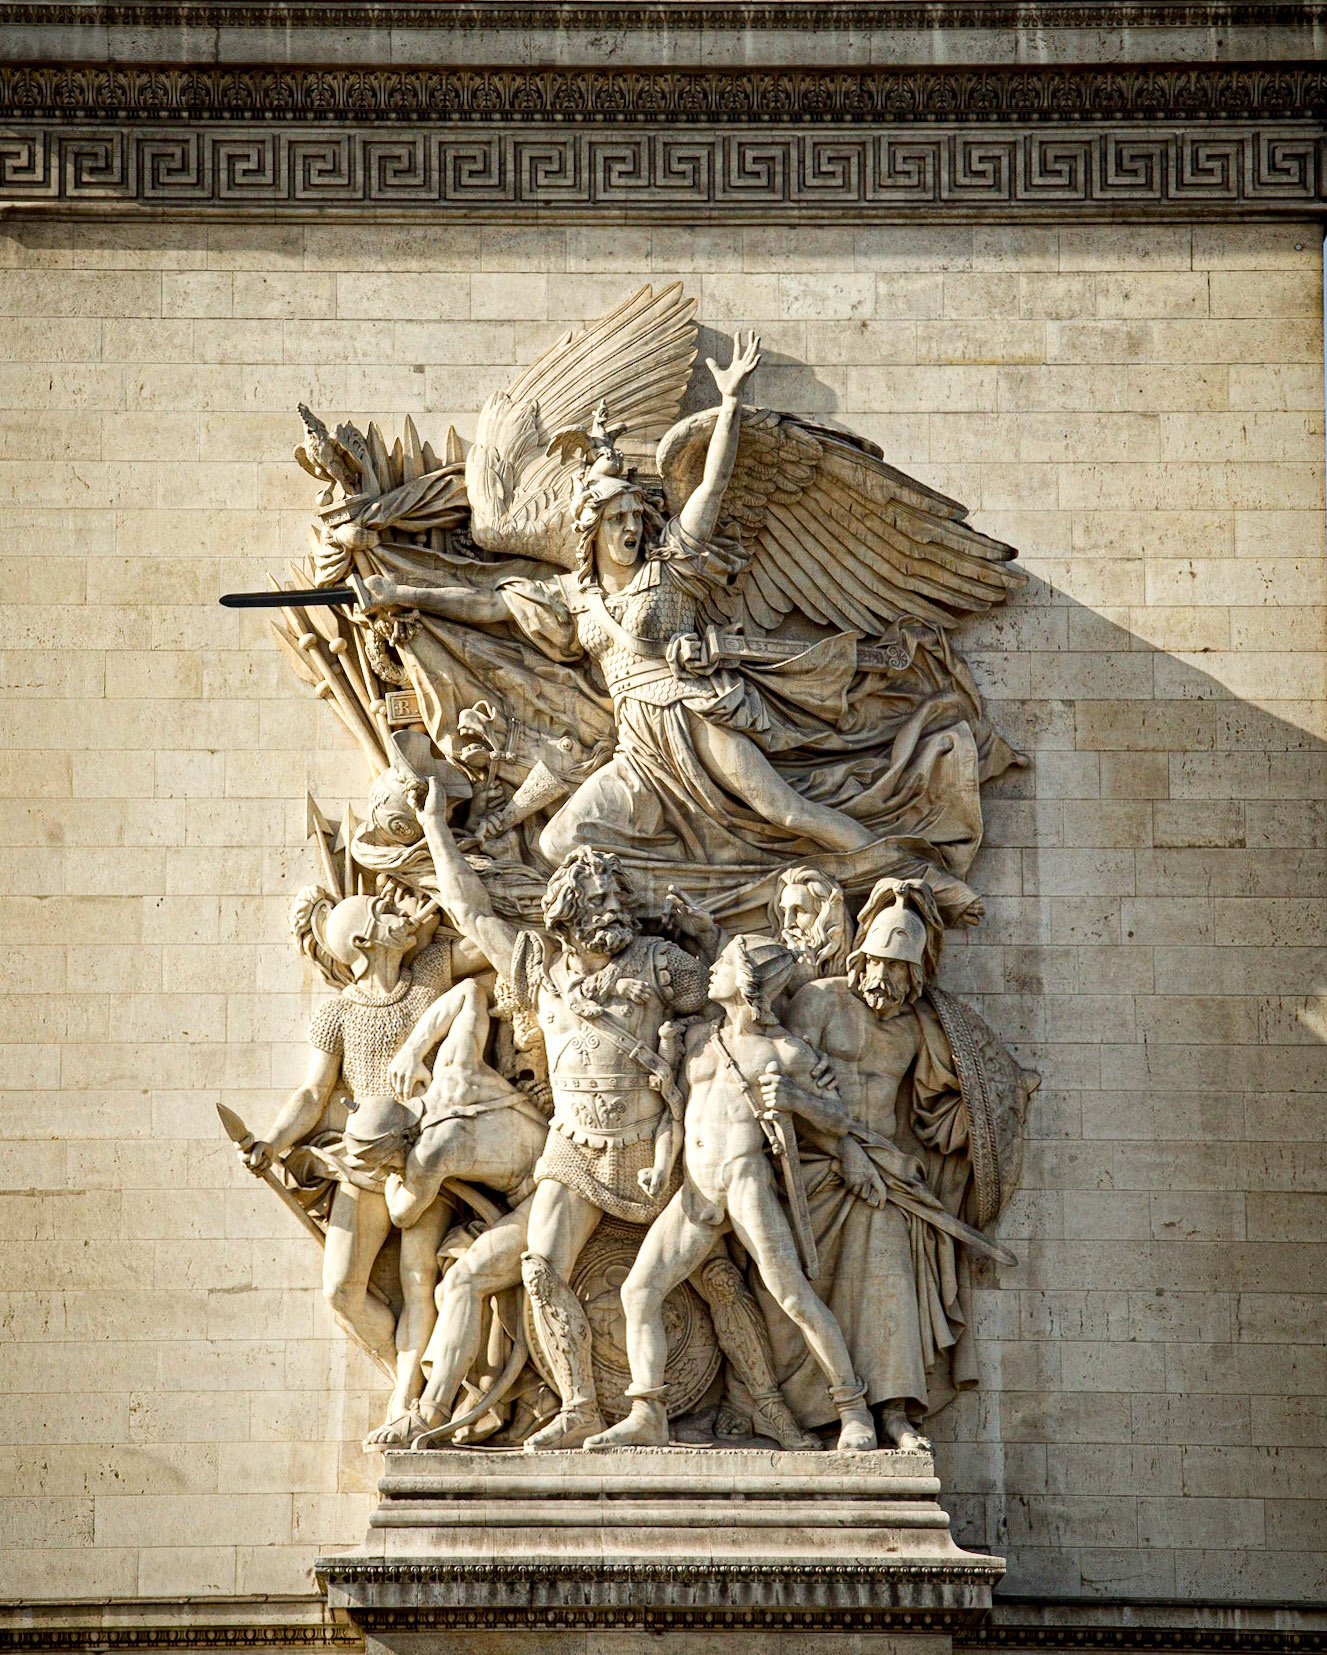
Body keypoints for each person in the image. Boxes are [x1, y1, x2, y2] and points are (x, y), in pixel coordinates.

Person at [413, 777, 710, 1449]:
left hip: (654, 1152)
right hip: (574, 1148)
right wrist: (435, 825)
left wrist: (702, 932)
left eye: (618, 896)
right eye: (600, 898)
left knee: (717, 1273)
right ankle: (578, 1404)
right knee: (540, 1265)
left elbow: (720, 1007)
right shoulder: (541, 973)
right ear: (567, 911)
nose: (615, 907)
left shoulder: (661, 962)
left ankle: (749, 1404)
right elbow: (470, 911)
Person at [585, 934, 877, 1454]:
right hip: (697, 1190)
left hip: (745, 1184)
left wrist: (794, 1099)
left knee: (793, 1297)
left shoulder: (785, 1050)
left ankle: (853, 1411)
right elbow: (678, 1112)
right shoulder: (698, 1039)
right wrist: (660, 1164)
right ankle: (647, 1412)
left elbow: (837, 1118)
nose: (710, 969)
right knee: (639, 1291)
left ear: (747, 981)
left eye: (722, 963)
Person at [237, 890, 453, 1436]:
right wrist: (272, 1142)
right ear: (363, 940)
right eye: (387, 914)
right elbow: (313, 1093)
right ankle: (407, 1374)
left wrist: (432, 921)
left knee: (418, 1275)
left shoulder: (430, 971)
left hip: (428, 1148)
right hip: (365, 1159)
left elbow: (489, 944)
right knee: (340, 1292)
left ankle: (406, 1401)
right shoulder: (337, 1012)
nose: (399, 915)